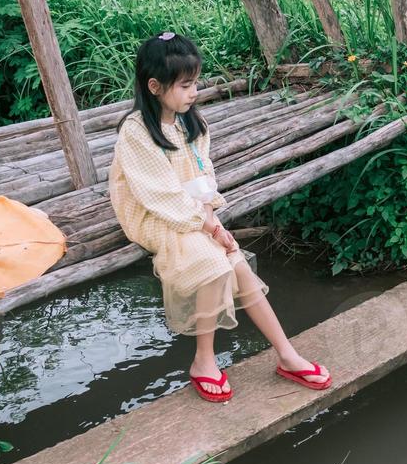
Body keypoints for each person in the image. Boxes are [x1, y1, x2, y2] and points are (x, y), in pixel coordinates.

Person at [108, 32, 331, 403]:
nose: (194, 92)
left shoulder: (190, 123)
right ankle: (203, 361)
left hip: (194, 210)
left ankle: (287, 354)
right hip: (153, 214)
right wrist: (209, 226)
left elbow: (203, 176)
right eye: (186, 85)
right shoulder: (136, 132)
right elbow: (160, 195)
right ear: (154, 86)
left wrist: (211, 216)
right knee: (216, 266)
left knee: (237, 264)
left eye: (195, 83)